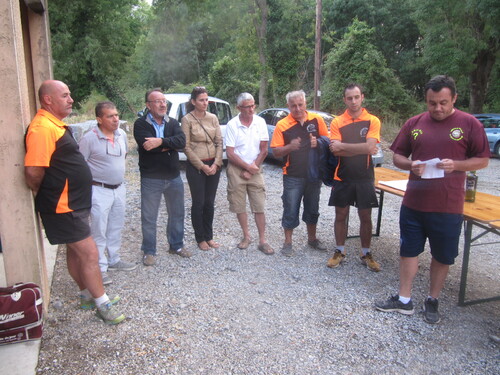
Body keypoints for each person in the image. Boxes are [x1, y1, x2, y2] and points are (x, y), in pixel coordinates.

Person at [375, 75, 490, 324]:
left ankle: (432, 300)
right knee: (408, 251)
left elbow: (482, 160)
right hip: (414, 202)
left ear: (454, 99)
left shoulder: (469, 124)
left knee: (442, 256)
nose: (437, 108)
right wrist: (411, 164)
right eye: (432, 103)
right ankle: (404, 300)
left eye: (443, 103)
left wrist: (457, 165)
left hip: (447, 206)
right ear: (426, 101)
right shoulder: (414, 123)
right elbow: (398, 157)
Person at [24, 80, 125, 325]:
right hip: (62, 206)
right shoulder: (41, 128)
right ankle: (103, 304)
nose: (71, 99)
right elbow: (33, 173)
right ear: (48, 99)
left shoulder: (54, 124)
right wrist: (49, 194)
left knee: (76, 252)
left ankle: (86, 295)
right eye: (65, 95)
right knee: (90, 253)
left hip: (73, 203)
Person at [79, 101, 137, 286]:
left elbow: (124, 157)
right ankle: (100, 267)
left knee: (116, 226)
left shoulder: (121, 135)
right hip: (98, 189)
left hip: (118, 188)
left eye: (117, 115)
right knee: (99, 229)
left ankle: (114, 259)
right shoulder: (89, 138)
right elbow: (81, 164)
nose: (115, 119)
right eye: (110, 116)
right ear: (99, 119)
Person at [326, 84, 382, 272]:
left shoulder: (372, 120)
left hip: (365, 177)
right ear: (344, 100)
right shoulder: (337, 122)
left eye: (356, 97)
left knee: (365, 216)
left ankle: (366, 253)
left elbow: (369, 148)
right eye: (349, 98)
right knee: (340, 215)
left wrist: (345, 147)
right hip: (342, 177)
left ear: (362, 97)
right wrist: (363, 148)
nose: (353, 101)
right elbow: (335, 150)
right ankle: (339, 250)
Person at [134, 88, 190, 266]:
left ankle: (176, 245)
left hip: (173, 177)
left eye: (163, 101)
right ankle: (149, 251)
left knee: (177, 213)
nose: (162, 104)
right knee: (149, 216)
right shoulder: (140, 124)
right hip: (151, 178)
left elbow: (181, 142)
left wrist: (160, 141)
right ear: (148, 105)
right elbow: (146, 147)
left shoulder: (172, 122)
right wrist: (168, 145)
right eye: (157, 101)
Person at [270, 90, 329, 256]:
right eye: (293, 105)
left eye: (300, 104)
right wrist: (290, 147)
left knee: (312, 208)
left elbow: (328, 142)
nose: (297, 108)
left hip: (313, 174)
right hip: (292, 175)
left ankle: (312, 239)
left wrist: (317, 142)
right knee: (290, 208)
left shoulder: (317, 120)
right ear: (288, 106)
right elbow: (275, 152)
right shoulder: (283, 125)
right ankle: (288, 242)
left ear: (305, 103)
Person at [225, 93, 273, 255]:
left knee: (259, 205)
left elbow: (264, 149)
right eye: (248, 106)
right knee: (239, 205)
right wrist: (246, 168)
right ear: (239, 108)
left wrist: (253, 168)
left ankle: (262, 240)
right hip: (237, 169)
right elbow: (230, 153)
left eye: (253, 105)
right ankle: (246, 236)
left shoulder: (260, 122)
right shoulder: (232, 125)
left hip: (255, 167)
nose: (252, 109)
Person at [181, 87, 223, 251]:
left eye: (206, 100)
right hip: (197, 166)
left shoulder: (213, 118)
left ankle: (209, 236)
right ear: (193, 102)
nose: (205, 103)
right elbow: (186, 147)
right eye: (201, 100)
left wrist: (216, 163)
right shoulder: (187, 120)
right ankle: (200, 238)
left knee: (209, 203)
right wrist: (202, 166)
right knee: (198, 203)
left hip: (213, 164)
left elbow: (219, 142)